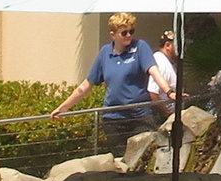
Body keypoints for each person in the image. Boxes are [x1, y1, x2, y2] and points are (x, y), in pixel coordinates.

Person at [45, 13, 168, 144]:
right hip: (113, 118)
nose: (129, 36)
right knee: (119, 160)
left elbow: (154, 71)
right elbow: (86, 85)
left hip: (140, 115)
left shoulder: (140, 47)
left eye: (131, 31)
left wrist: (168, 91)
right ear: (113, 34)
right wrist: (63, 108)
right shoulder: (105, 53)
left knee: (143, 156)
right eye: (124, 32)